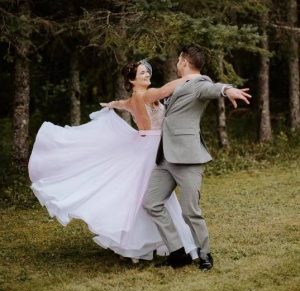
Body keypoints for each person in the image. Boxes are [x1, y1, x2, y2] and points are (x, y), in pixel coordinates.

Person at [28, 60, 201, 262]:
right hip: (153, 148)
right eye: (142, 73)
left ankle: (166, 245)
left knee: (146, 197)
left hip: (149, 145)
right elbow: (165, 90)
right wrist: (188, 78)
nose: (147, 75)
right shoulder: (144, 95)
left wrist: (112, 104)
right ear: (131, 79)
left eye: (147, 72)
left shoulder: (133, 98)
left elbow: (122, 104)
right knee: (155, 198)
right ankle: (164, 245)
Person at [141, 45, 251, 270]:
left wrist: (227, 90)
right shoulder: (182, 85)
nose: (177, 64)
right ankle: (177, 253)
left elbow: (213, 89)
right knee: (151, 203)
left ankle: (205, 254)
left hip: (188, 158)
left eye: (178, 60)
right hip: (165, 158)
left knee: (190, 210)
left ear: (183, 61)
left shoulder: (200, 84)